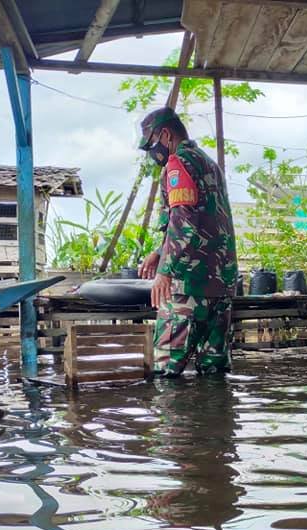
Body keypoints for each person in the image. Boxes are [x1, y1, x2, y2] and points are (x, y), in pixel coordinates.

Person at [136, 107, 238, 376]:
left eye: (151, 144)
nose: (152, 152)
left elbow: (182, 218)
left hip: (188, 286)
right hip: (221, 285)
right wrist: (159, 250)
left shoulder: (177, 163)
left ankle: (176, 420)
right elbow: (201, 217)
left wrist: (165, 272)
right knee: (215, 373)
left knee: (166, 374)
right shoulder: (209, 164)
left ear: (166, 135)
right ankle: (216, 419)